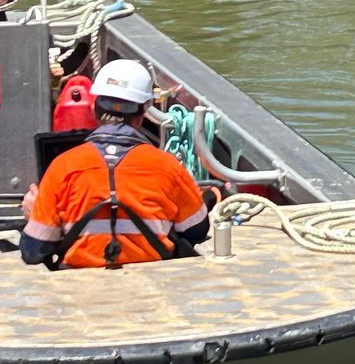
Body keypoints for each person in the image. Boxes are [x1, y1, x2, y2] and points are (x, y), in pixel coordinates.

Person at [20, 60, 212, 269]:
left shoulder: (64, 167)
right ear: (142, 115)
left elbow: (33, 252)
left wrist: (35, 214)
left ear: (95, 109)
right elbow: (197, 231)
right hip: (152, 286)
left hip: (80, 289)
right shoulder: (167, 166)